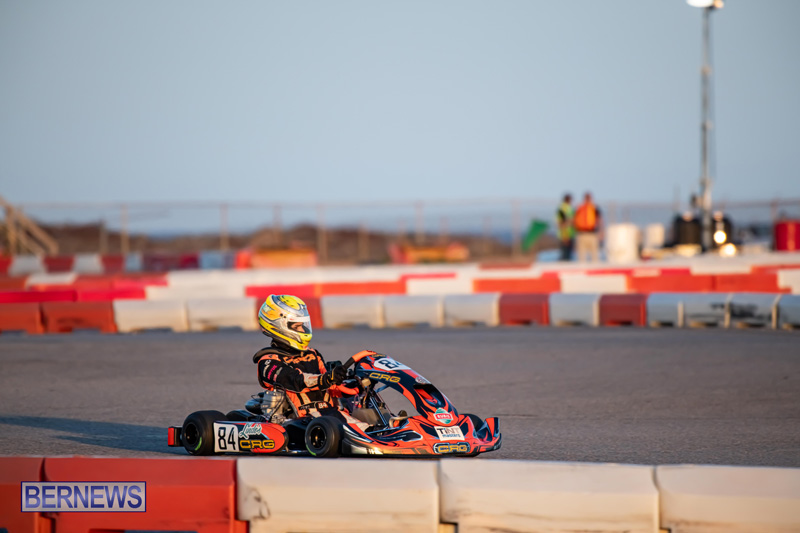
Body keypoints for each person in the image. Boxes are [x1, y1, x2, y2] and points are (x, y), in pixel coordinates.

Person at [253, 294, 348, 419]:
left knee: (362, 411)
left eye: (303, 325)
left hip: (328, 415)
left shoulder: (312, 354)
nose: (303, 330)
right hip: (298, 421)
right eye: (297, 326)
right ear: (279, 326)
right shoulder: (268, 361)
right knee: (335, 427)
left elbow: (331, 384)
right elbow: (295, 380)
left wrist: (344, 378)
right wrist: (325, 379)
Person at [574, 192, 603, 262]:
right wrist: (601, 231)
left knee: (582, 257)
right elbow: (599, 220)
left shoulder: (579, 208)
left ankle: (582, 270)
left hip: (582, 234)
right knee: (594, 256)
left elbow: (574, 220)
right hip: (591, 234)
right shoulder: (594, 208)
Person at [555, 193, 575, 261]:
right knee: (565, 257)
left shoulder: (564, 208)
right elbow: (561, 224)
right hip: (566, 236)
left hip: (568, 235)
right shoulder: (564, 209)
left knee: (566, 255)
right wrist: (565, 236)